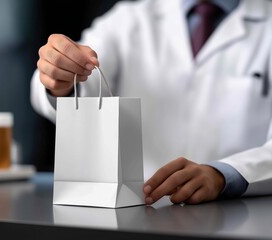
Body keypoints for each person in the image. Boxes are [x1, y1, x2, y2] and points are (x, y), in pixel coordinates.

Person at [30, 0, 272, 205]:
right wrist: (60, 78)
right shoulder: (128, 20)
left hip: (237, 213)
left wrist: (223, 174)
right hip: (136, 208)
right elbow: (72, 89)